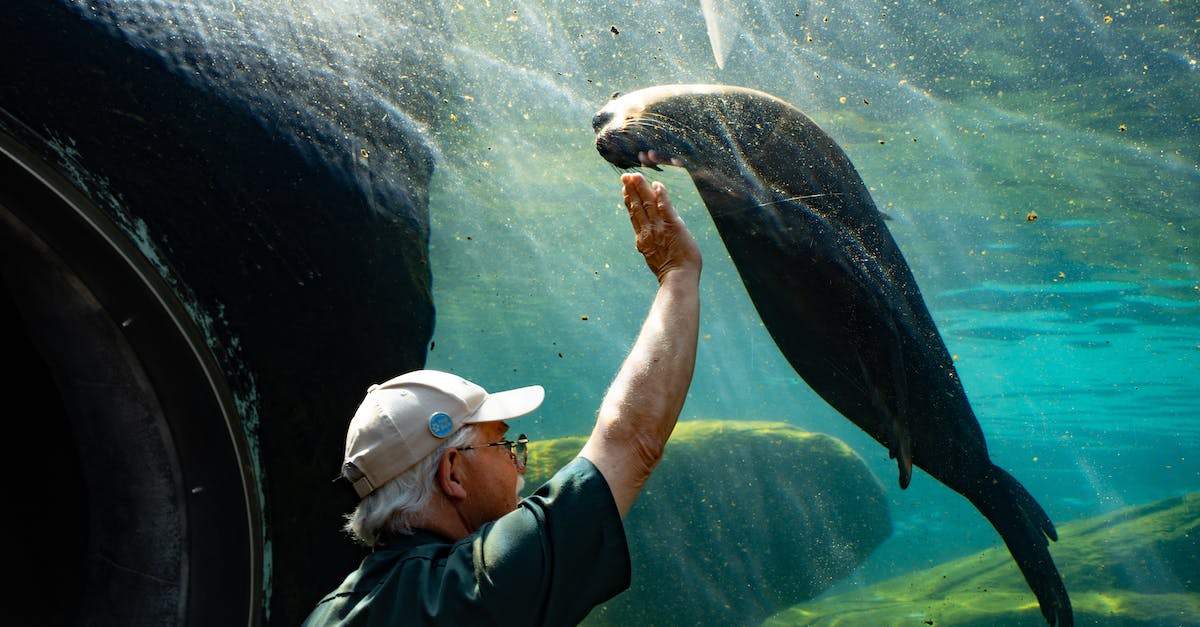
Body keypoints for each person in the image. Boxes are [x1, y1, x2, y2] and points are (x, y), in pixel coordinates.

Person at [302, 171, 703, 626]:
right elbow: (634, 442)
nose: (520, 464)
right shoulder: (479, 585)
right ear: (452, 473)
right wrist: (678, 276)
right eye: (504, 444)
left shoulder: (323, 615)